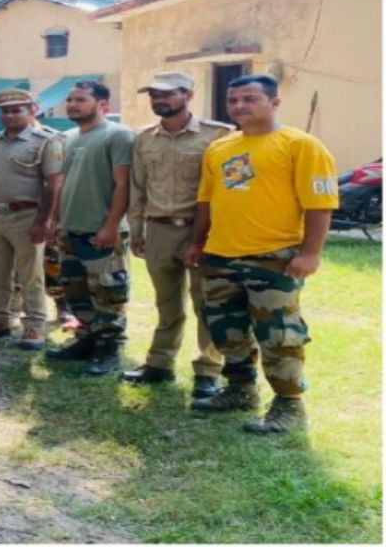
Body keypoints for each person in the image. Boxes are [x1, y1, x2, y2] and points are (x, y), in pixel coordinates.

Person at [185, 74, 337, 434]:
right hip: (220, 257)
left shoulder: (301, 145)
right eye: (233, 100)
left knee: (279, 334)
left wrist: (310, 253)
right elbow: (206, 202)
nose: (239, 106)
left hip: (274, 258)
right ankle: (240, 390)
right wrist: (196, 243)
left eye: (249, 99)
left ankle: (289, 405)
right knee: (227, 330)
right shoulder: (220, 148)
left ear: (274, 103)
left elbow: (320, 205)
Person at [123, 72, 232, 398]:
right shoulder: (144, 138)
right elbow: (138, 188)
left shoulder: (218, 135)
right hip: (158, 230)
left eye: (167, 94)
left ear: (188, 94)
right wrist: (137, 229)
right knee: (167, 304)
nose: (159, 100)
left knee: (207, 304)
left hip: (202, 231)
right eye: (154, 95)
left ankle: (208, 371)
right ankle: (159, 364)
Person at [47, 81, 135, 376]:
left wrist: (111, 226)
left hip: (101, 230)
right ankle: (85, 340)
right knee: (76, 291)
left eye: (81, 100)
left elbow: (124, 184)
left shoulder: (118, 134)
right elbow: (64, 184)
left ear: (103, 105)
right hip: (70, 229)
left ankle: (109, 351)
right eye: (70, 100)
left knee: (109, 293)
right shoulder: (70, 137)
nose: (72, 105)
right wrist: (55, 221)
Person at [0, 89, 64, 351]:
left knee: (30, 274)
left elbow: (54, 184)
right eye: (5, 111)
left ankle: (34, 324)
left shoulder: (46, 141)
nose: (9, 115)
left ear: (33, 110)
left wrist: (45, 221)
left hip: (27, 215)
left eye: (17, 110)